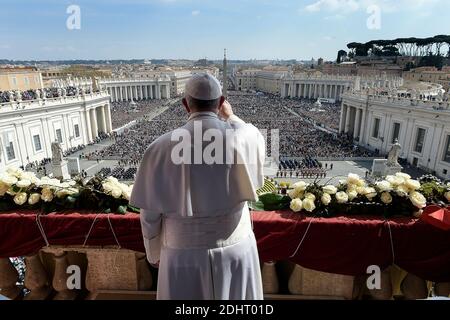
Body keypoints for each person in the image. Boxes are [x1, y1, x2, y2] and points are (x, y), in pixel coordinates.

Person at [130, 73, 265, 300]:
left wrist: (153, 253)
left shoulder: (159, 147)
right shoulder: (244, 138)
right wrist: (230, 117)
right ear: (221, 102)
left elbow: (149, 215)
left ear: (185, 104)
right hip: (235, 249)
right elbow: (254, 135)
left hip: (182, 254)